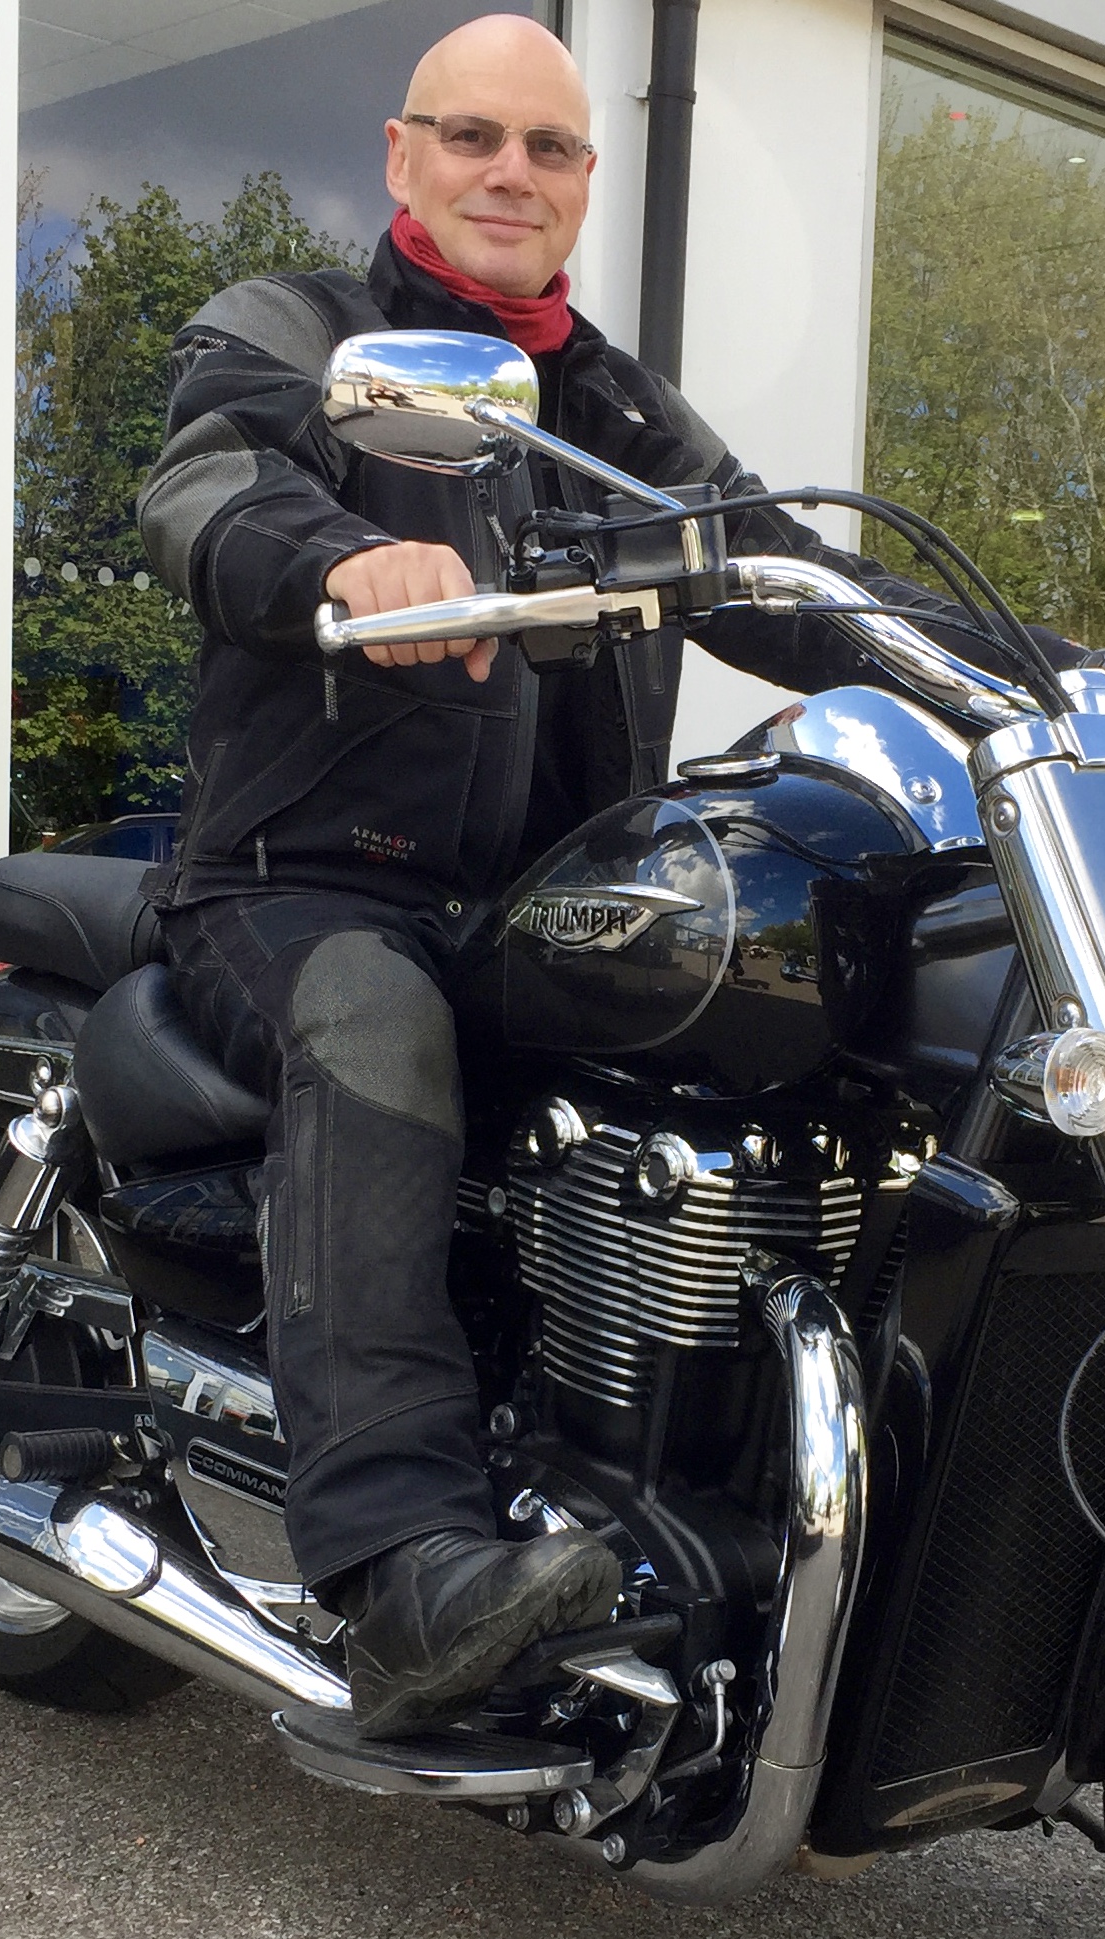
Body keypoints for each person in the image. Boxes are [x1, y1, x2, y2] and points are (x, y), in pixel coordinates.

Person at [137, 14, 1046, 1739]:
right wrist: (346, 559)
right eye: (474, 137)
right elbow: (210, 486)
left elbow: (787, 575)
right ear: (403, 156)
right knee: (373, 1024)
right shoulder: (303, 333)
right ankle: (400, 1564)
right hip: (302, 883)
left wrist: (1054, 675)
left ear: (585, 180)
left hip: (537, 899)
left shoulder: (618, 415)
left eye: (548, 147)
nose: (512, 172)